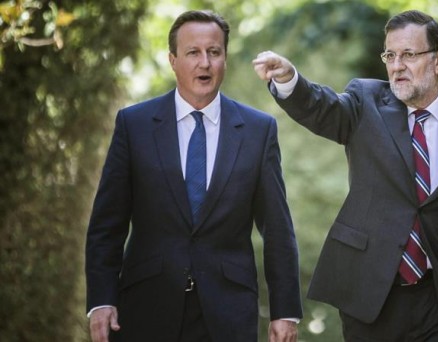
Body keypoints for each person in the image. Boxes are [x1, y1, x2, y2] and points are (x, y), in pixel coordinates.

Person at [253, 9, 438, 342]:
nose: (396, 65)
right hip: (369, 296)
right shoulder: (365, 102)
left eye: (409, 55)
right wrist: (288, 80)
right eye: (390, 55)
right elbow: (323, 107)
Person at [85, 10, 302, 342]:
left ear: (225, 59)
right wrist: (101, 300)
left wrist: (285, 310)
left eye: (214, 52)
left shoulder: (259, 131)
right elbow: (107, 224)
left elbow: (277, 228)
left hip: (228, 312)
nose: (205, 63)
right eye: (193, 53)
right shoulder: (134, 125)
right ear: (173, 60)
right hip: (146, 307)